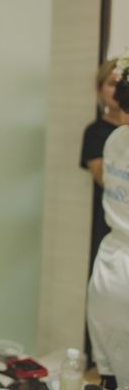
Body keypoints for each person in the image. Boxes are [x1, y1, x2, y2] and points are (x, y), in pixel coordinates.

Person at [79, 58, 128, 369]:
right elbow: (103, 177)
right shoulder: (105, 137)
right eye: (110, 83)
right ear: (99, 90)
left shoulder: (116, 139)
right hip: (112, 229)